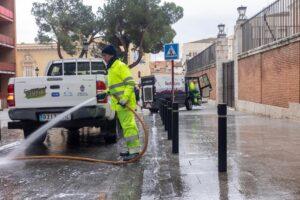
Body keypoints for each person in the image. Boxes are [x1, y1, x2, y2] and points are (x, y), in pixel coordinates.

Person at [98, 45, 141, 161]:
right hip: (119, 104)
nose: (104, 58)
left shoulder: (120, 66)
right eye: (103, 56)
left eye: (105, 55)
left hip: (125, 103)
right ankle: (129, 149)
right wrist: (106, 92)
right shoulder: (111, 69)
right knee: (125, 128)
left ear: (111, 55)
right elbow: (114, 88)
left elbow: (130, 83)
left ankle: (135, 151)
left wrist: (125, 98)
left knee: (129, 127)